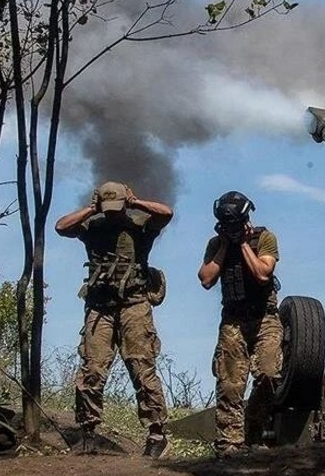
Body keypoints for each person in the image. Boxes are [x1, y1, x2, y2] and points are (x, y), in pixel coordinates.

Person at [55, 181, 173, 459]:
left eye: (115, 208)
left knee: (142, 369)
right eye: (106, 209)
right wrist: (90, 209)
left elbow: (166, 213)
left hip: (134, 304)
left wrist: (136, 202)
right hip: (100, 307)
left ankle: (157, 435)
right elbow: (61, 227)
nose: (111, 213)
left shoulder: (140, 224)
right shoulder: (92, 225)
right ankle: (88, 433)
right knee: (92, 370)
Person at [198, 191, 282, 458]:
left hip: (265, 318)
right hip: (233, 320)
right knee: (230, 384)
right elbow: (206, 279)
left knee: (269, 373)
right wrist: (225, 245)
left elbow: (261, 273)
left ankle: (254, 426)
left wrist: (244, 244)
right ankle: (229, 444)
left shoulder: (264, 238)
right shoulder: (216, 244)